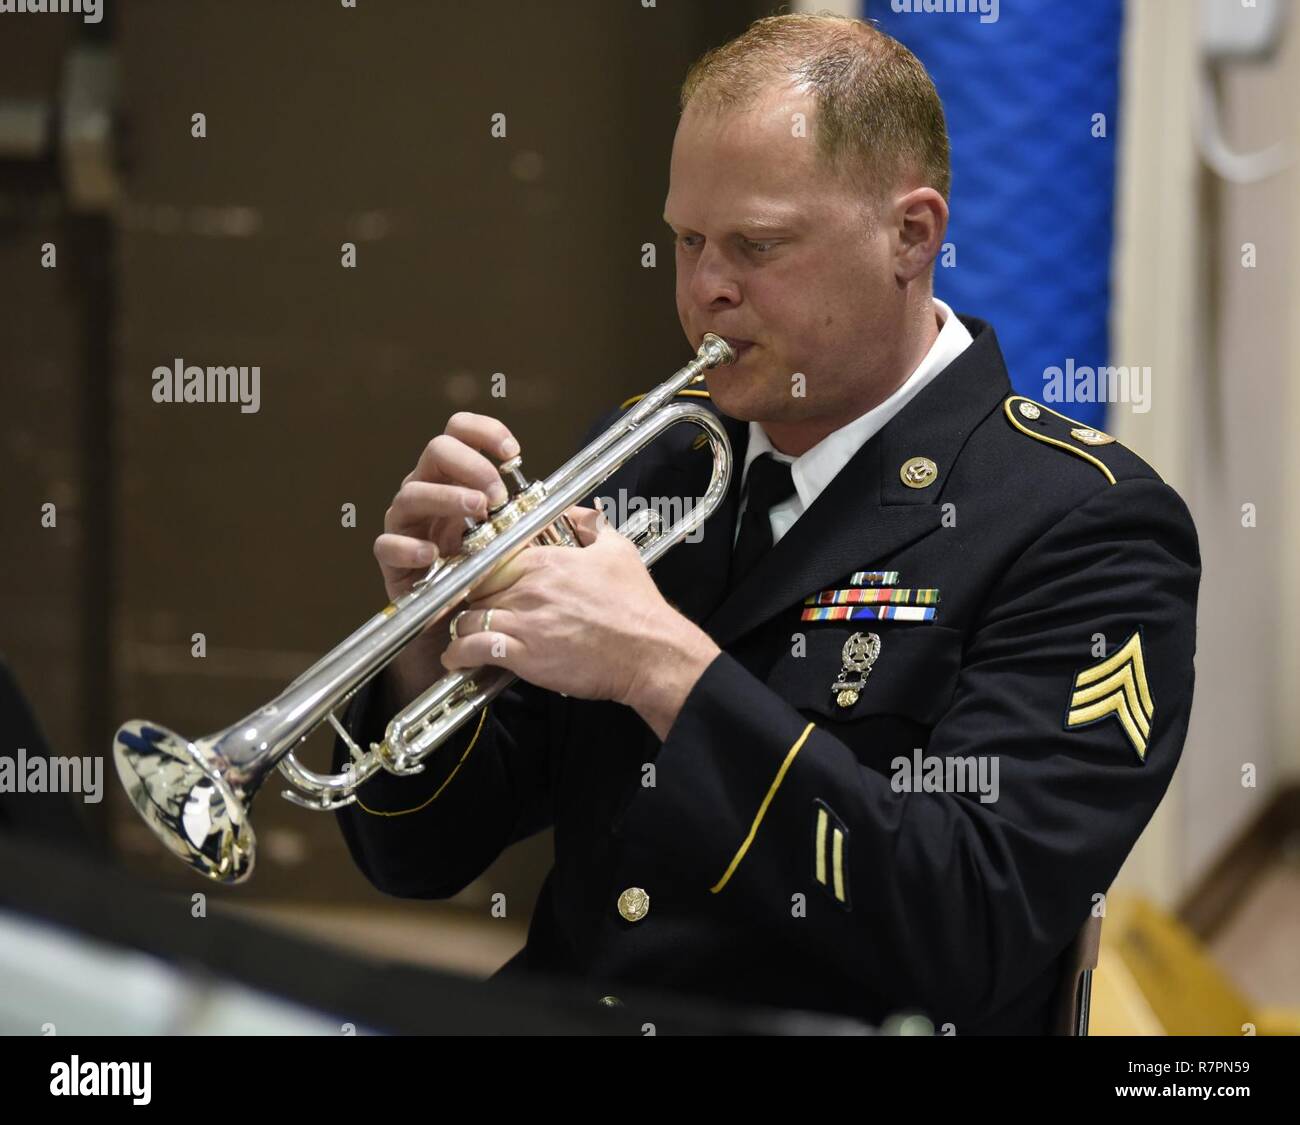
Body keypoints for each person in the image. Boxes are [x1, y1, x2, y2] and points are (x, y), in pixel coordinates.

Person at [331, 13, 1199, 1034]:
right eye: (687, 241)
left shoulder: (1083, 526)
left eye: (757, 245)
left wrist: (665, 672)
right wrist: (425, 661)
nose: (706, 292)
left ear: (910, 236)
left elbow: (972, 928)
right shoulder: (652, 458)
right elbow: (418, 860)